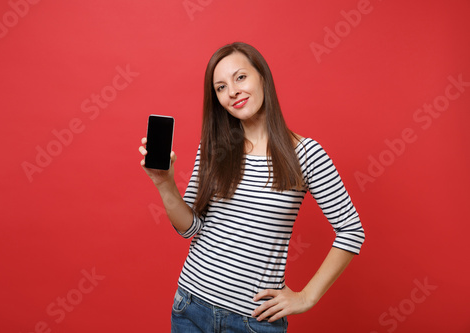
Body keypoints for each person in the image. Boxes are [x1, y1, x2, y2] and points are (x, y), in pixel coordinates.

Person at [139, 42, 365, 332]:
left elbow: (351, 230)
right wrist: (164, 183)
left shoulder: (306, 154)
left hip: (252, 322)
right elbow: (191, 228)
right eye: (220, 87)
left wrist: (307, 297)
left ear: (262, 77)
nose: (232, 91)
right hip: (190, 307)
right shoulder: (213, 148)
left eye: (240, 77)